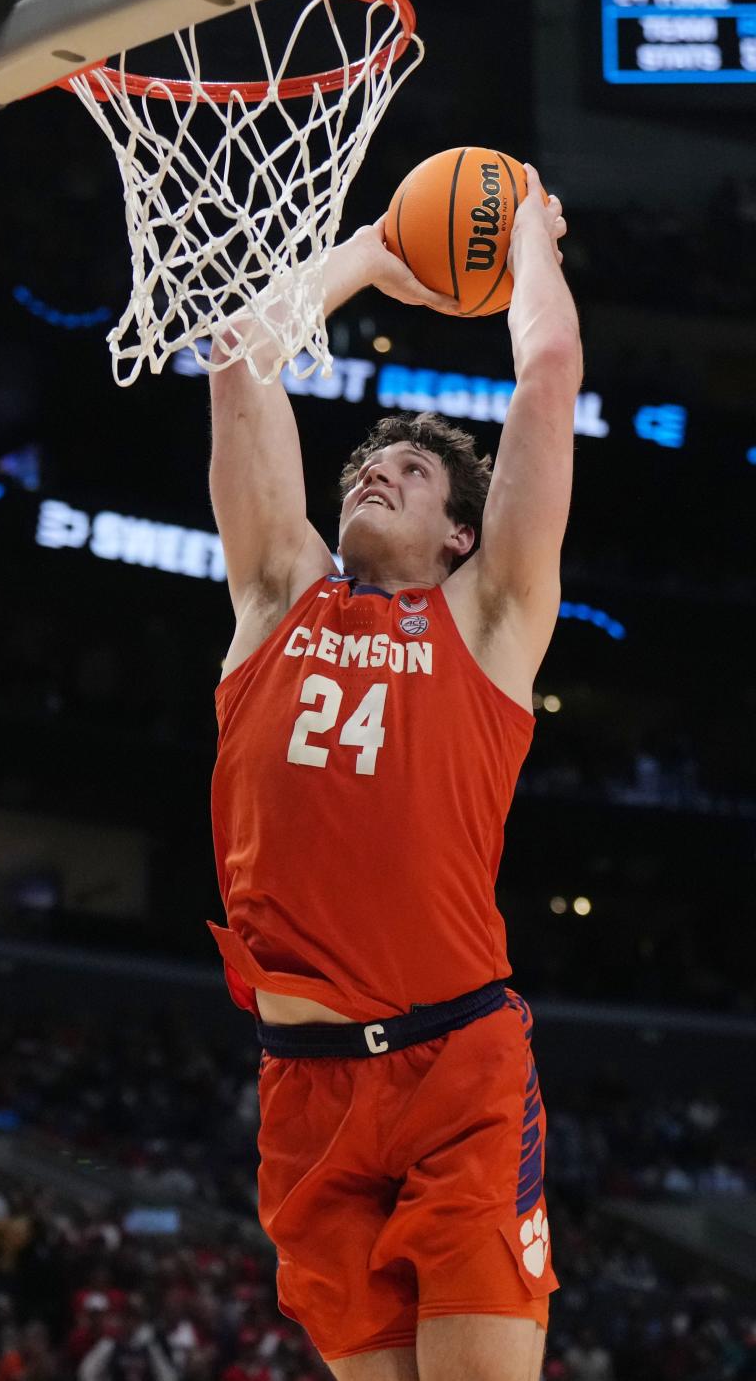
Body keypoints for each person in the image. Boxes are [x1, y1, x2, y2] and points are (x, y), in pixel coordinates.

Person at [206, 165, 581, 1381]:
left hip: (456, 1065)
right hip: (305, 1089)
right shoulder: (276, 593)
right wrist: (369, 248)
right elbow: (237, 354)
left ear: (461, 536)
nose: (377, 468)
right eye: (368, 461)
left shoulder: (493, 620)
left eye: (412, 473)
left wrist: (526, 237)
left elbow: (547, 380)